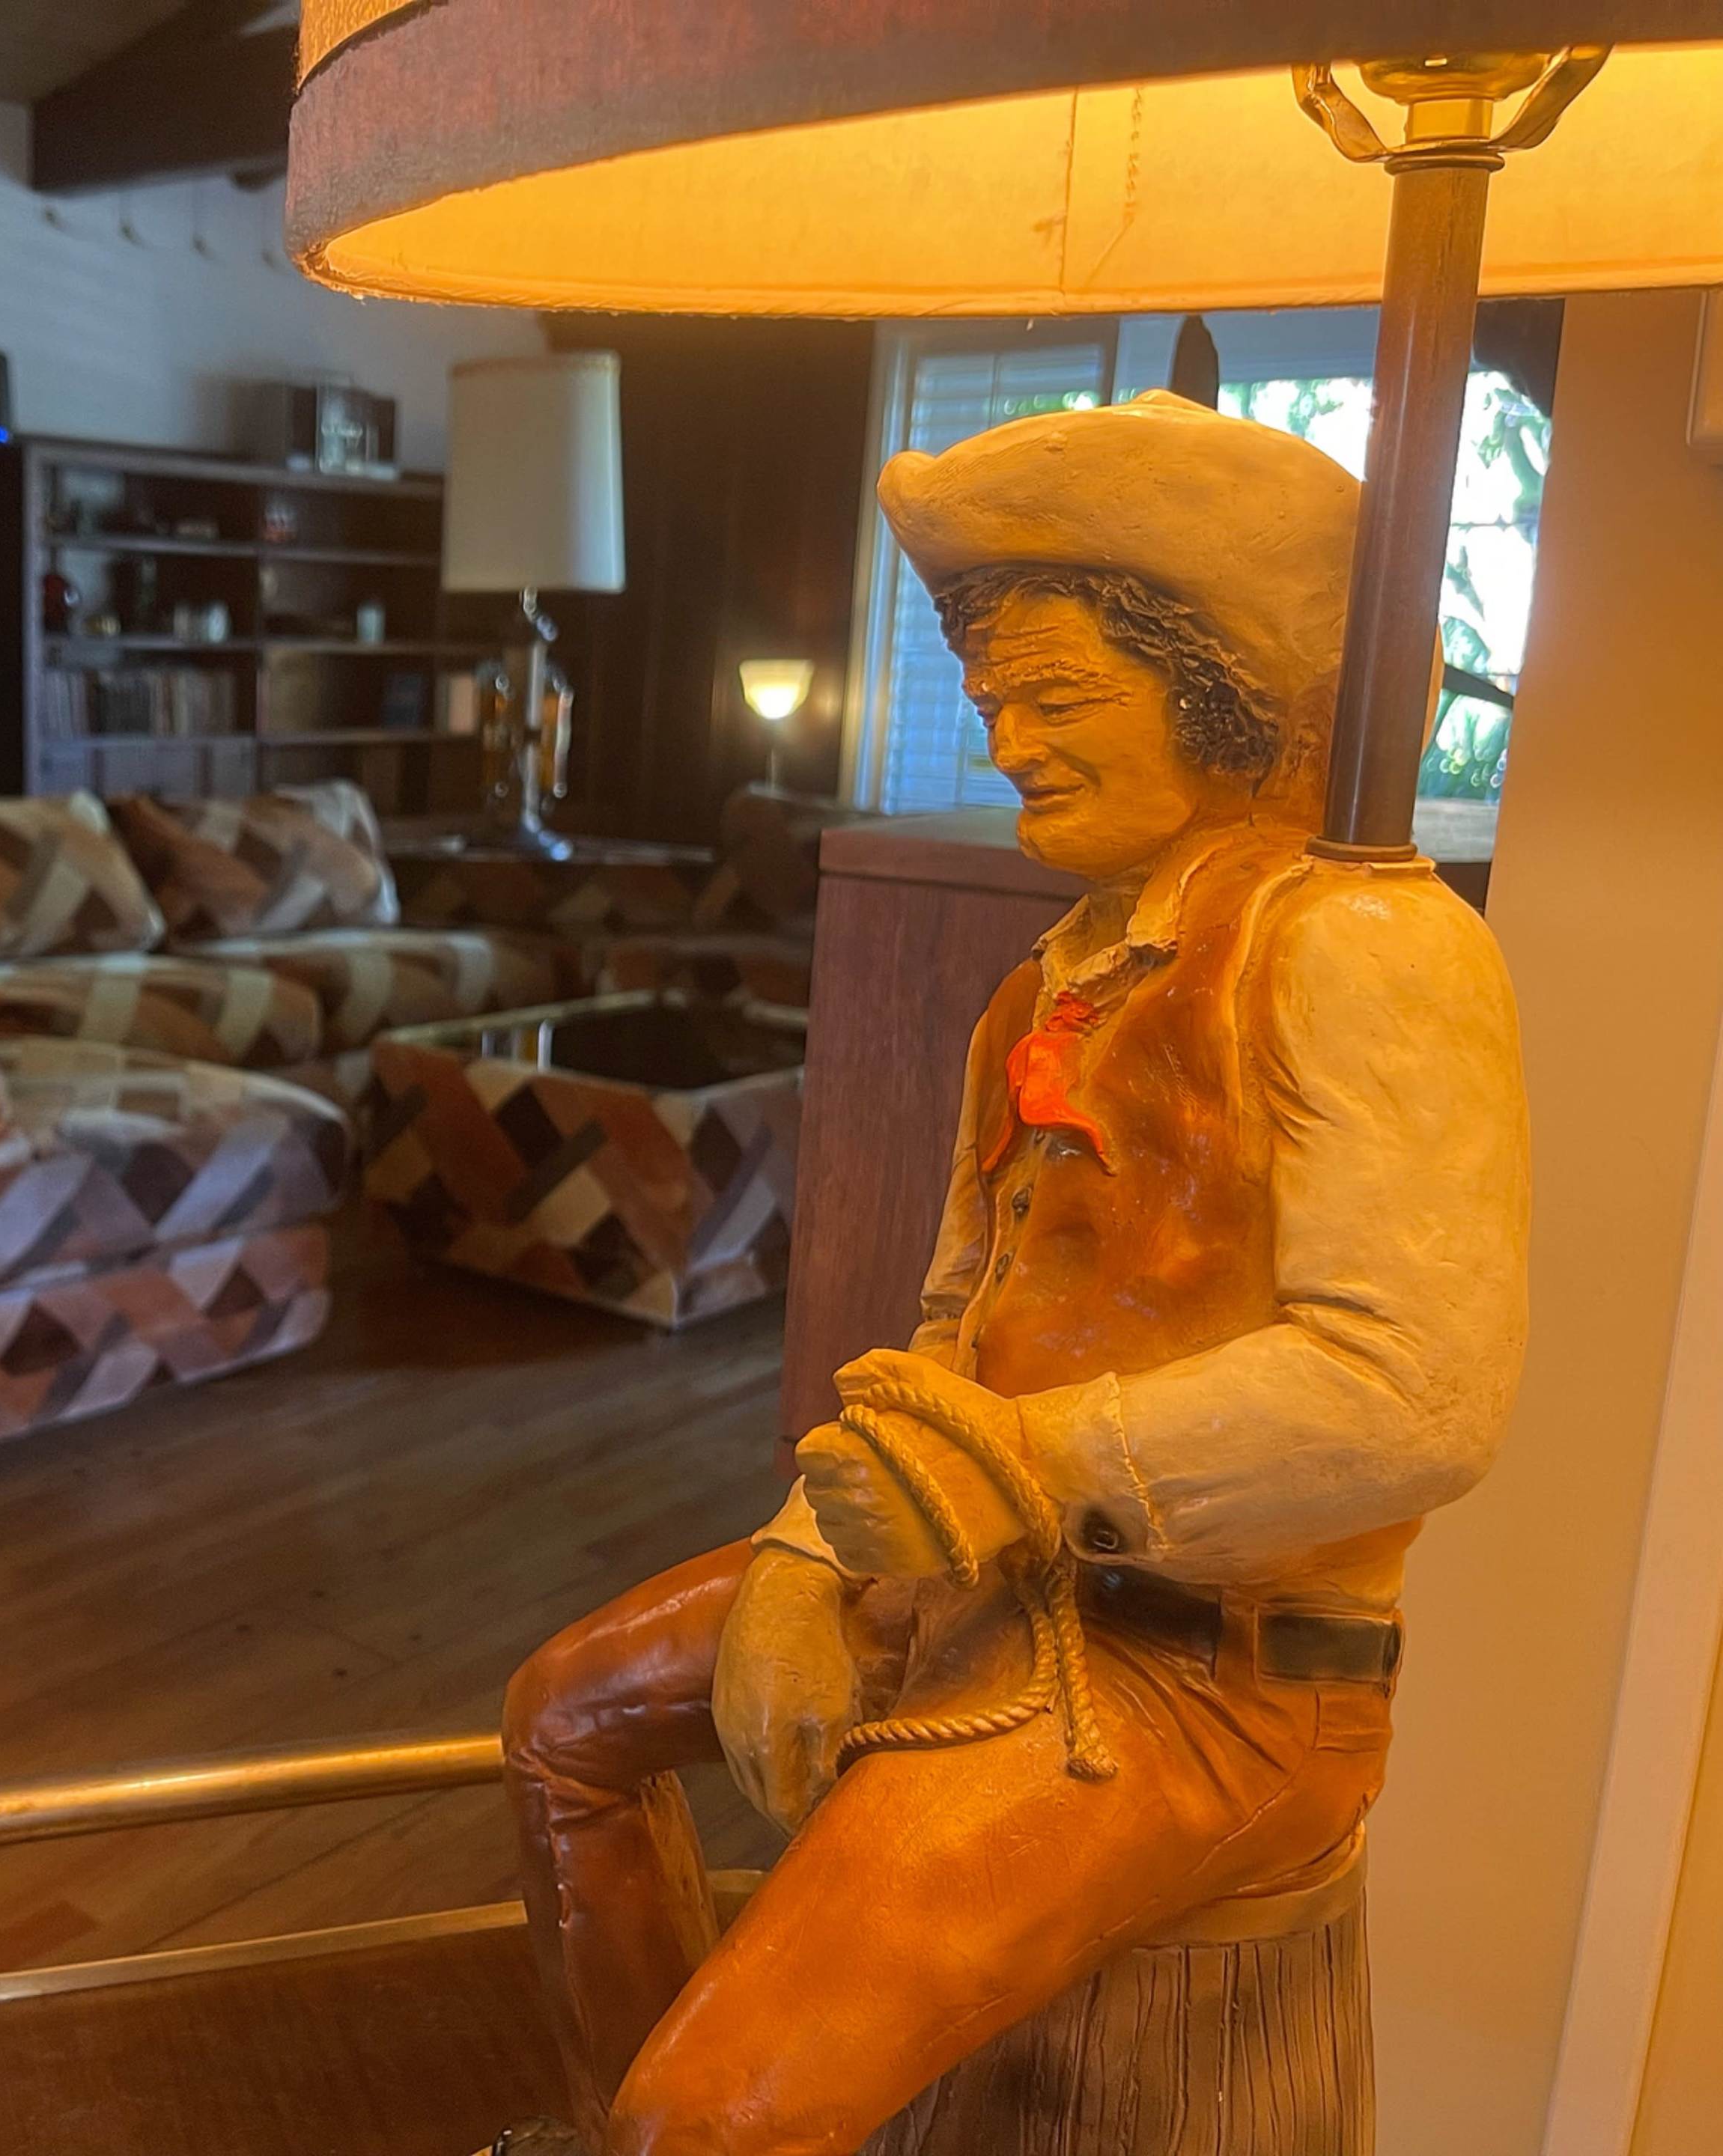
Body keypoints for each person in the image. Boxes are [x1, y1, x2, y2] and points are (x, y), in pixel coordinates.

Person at [496, 394, 1531, 2155]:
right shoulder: (1056, 975)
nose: (1008, 745)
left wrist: (1024, 1473)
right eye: (993, 704)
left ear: (1222, 696)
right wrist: (820, 1551)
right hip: (994, 1582)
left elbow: (1417, 1390)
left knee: (723, 2111)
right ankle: (614, 2125)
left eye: (1059, 702)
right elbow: (950, 1329)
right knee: (563, 1723)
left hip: (1212, 1677)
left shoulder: (1360, 944)